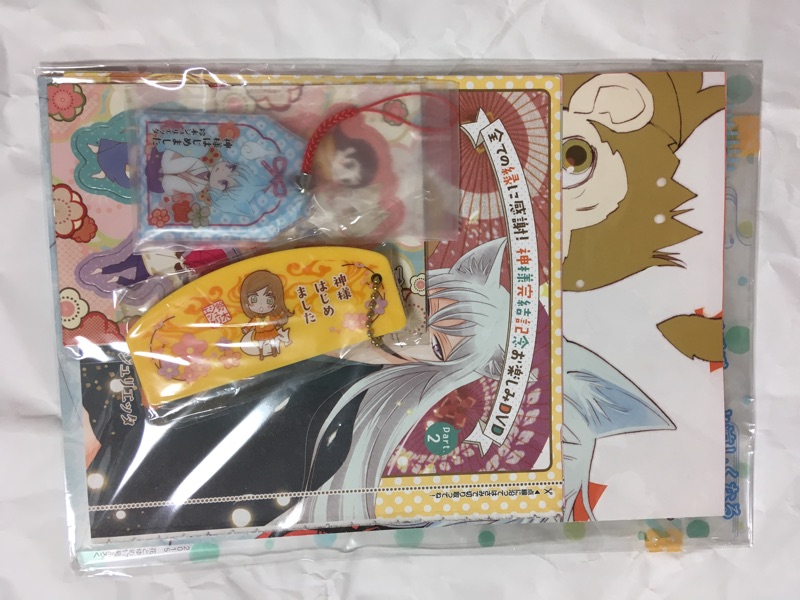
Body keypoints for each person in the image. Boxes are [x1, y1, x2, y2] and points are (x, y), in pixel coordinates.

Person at [239, 270, 293, 360]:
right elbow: (250, 325)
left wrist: (282, 314)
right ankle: (261, 354)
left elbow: (276, 318)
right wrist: (246, 329)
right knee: (261, 344)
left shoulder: (270, 317)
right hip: (260, 334)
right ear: (246, 303)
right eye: (253, 299)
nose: (261, 304)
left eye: (269, 300)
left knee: (273, 341)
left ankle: (274, 351)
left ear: (275, 304)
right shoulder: (256, 319)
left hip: (271, 331)